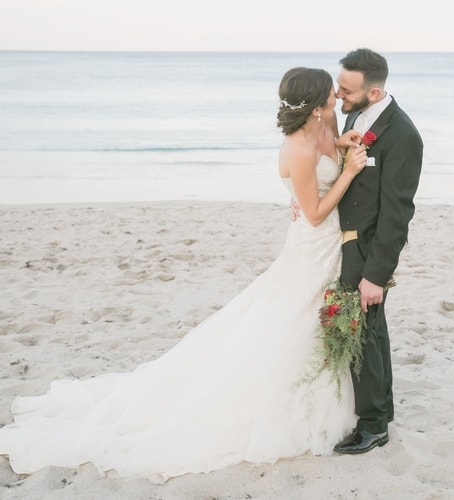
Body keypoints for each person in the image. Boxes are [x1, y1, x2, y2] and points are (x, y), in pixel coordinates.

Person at [0, 67, 368, 483]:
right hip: (312, 244)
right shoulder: (296, 150)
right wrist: (350, 172)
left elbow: (323, 170)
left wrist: (338, 146)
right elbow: (316, 214)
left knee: (302, 319)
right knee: (292, 318)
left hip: (328, 247)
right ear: (316, 107)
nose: (337, 99)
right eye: (330, 97)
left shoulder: (324, 127)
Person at [331, 48, 424, 454]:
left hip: (368, 249)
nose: (337, 95)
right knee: (372, 332)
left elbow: (397, 212)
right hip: (345, 241)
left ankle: (372, 427)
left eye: (346, 90)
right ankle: (380, 415)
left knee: (361, 334)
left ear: (374, 92)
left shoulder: (404, 135)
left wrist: (376, 274)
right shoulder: (355, 118)